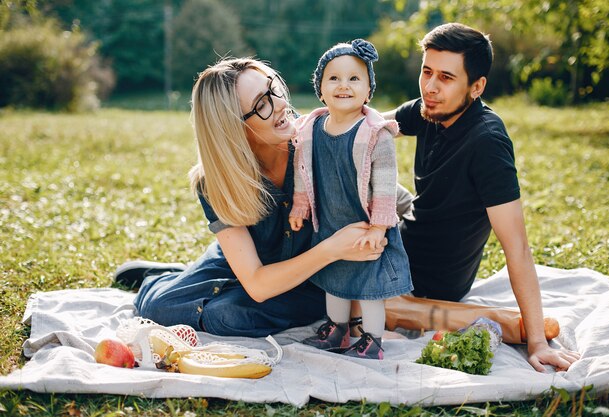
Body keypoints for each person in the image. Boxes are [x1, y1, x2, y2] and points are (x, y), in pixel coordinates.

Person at [116, 57, 388, 338]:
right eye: (262, 104)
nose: (281, 104)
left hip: (316, 278)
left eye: (274, 89)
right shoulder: (216, 181)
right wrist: (332, 248)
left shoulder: (320, 141)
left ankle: (194, 280)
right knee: (160, 307)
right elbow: (257, 285)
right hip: (254, 266)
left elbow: (387, 193)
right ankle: (167, 281)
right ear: (234, 129)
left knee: (226, 316)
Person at [383, 22, 579, 371]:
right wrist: (301, 128)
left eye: (445, 77)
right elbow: (368, 128)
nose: (430, 87)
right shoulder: (432, 108)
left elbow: (516, 244)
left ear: (476, 87)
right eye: (427, 72)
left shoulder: (487, 142)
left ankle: (486, 318)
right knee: (351, 169)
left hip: (428, 277)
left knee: (344, 295)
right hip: (411, 226)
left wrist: (536, 341)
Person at [288, 39, 413, 360]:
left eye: (354, 78)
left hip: (365, 223)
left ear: (369, 89)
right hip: (329, 221)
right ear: (320, 88)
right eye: (334, 78)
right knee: (333, 279)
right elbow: (303, 170)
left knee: (369, 286)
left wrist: (378, 227)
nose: (344, 85)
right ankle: (337, 329)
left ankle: (372, 338)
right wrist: (300, 205)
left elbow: (385, 185)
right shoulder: (310, 128)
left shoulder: (375, 133)